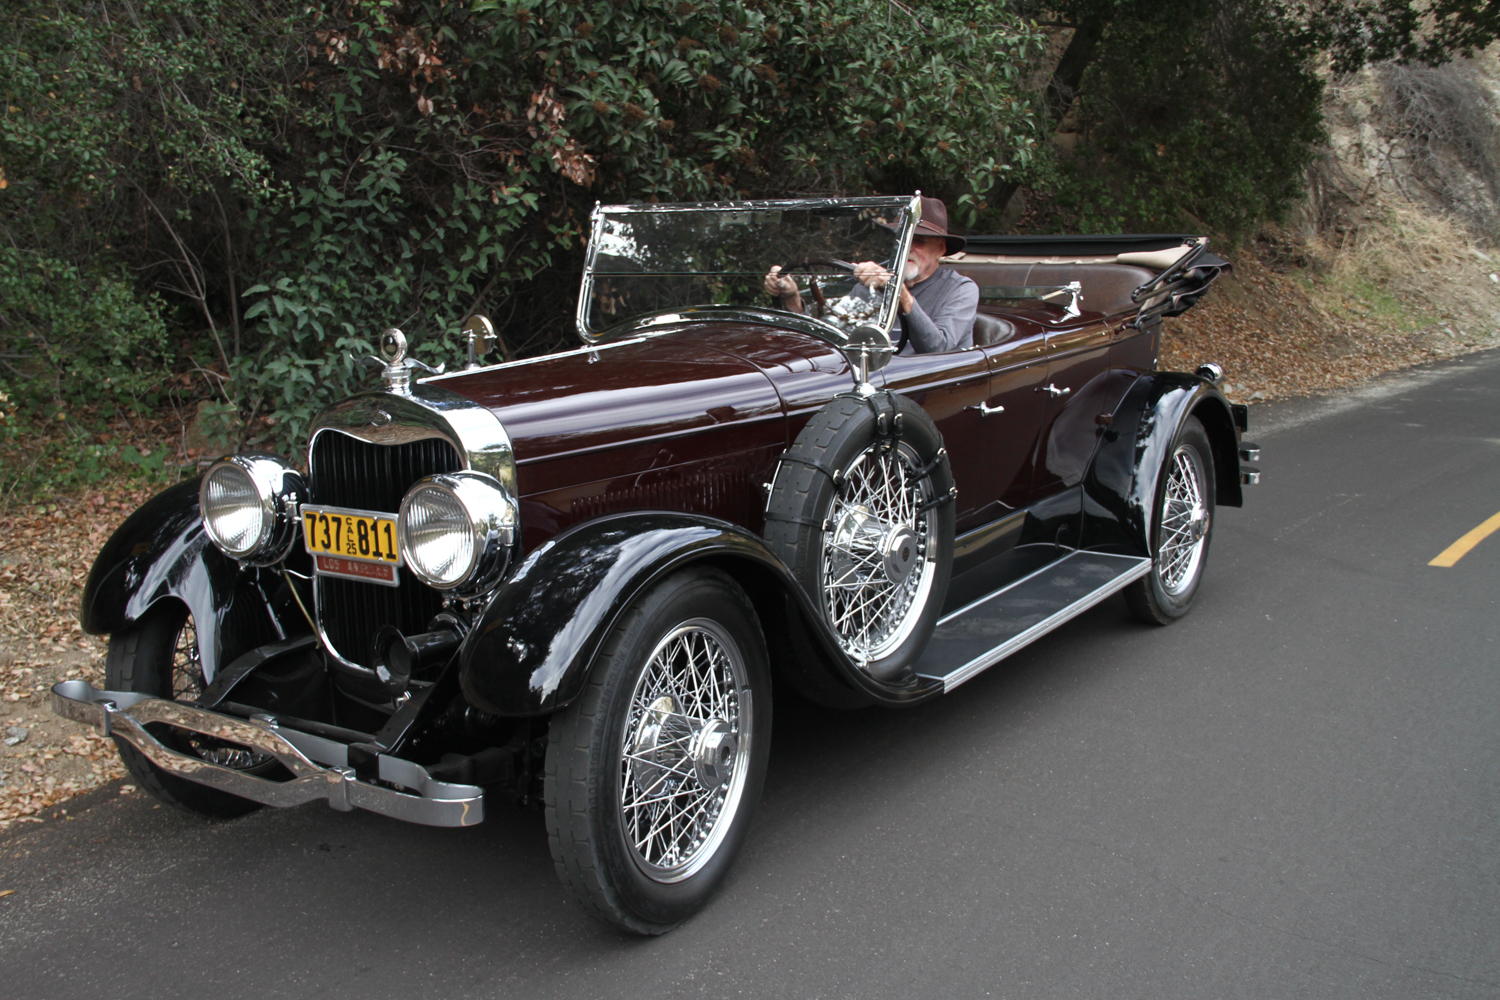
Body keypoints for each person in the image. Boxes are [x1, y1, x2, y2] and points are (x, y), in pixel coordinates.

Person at [763, 196, 979, 354]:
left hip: (929, 389)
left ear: (941, 249)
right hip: (875, 382)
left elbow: (937, 348)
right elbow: (832, 332)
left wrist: (899, 293)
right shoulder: (874, 281)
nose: (907, 249)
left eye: (918, 241)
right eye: (901, 241)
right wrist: (792, 299)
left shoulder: (961, 289)